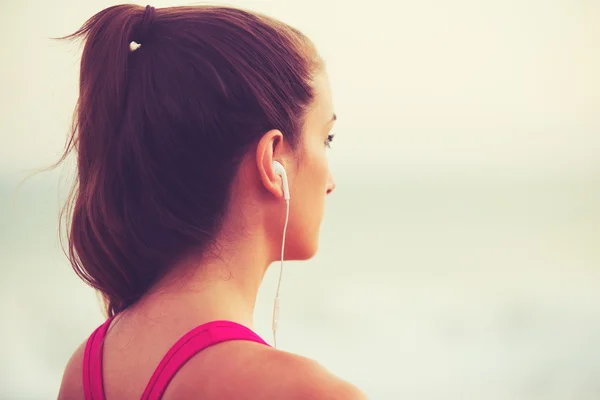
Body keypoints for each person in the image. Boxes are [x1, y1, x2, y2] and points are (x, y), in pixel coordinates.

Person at [56, 4, 366, 399]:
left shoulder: (86, 370)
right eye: (326, 139)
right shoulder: (307, 392)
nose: (331, 182)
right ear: (272, 160)